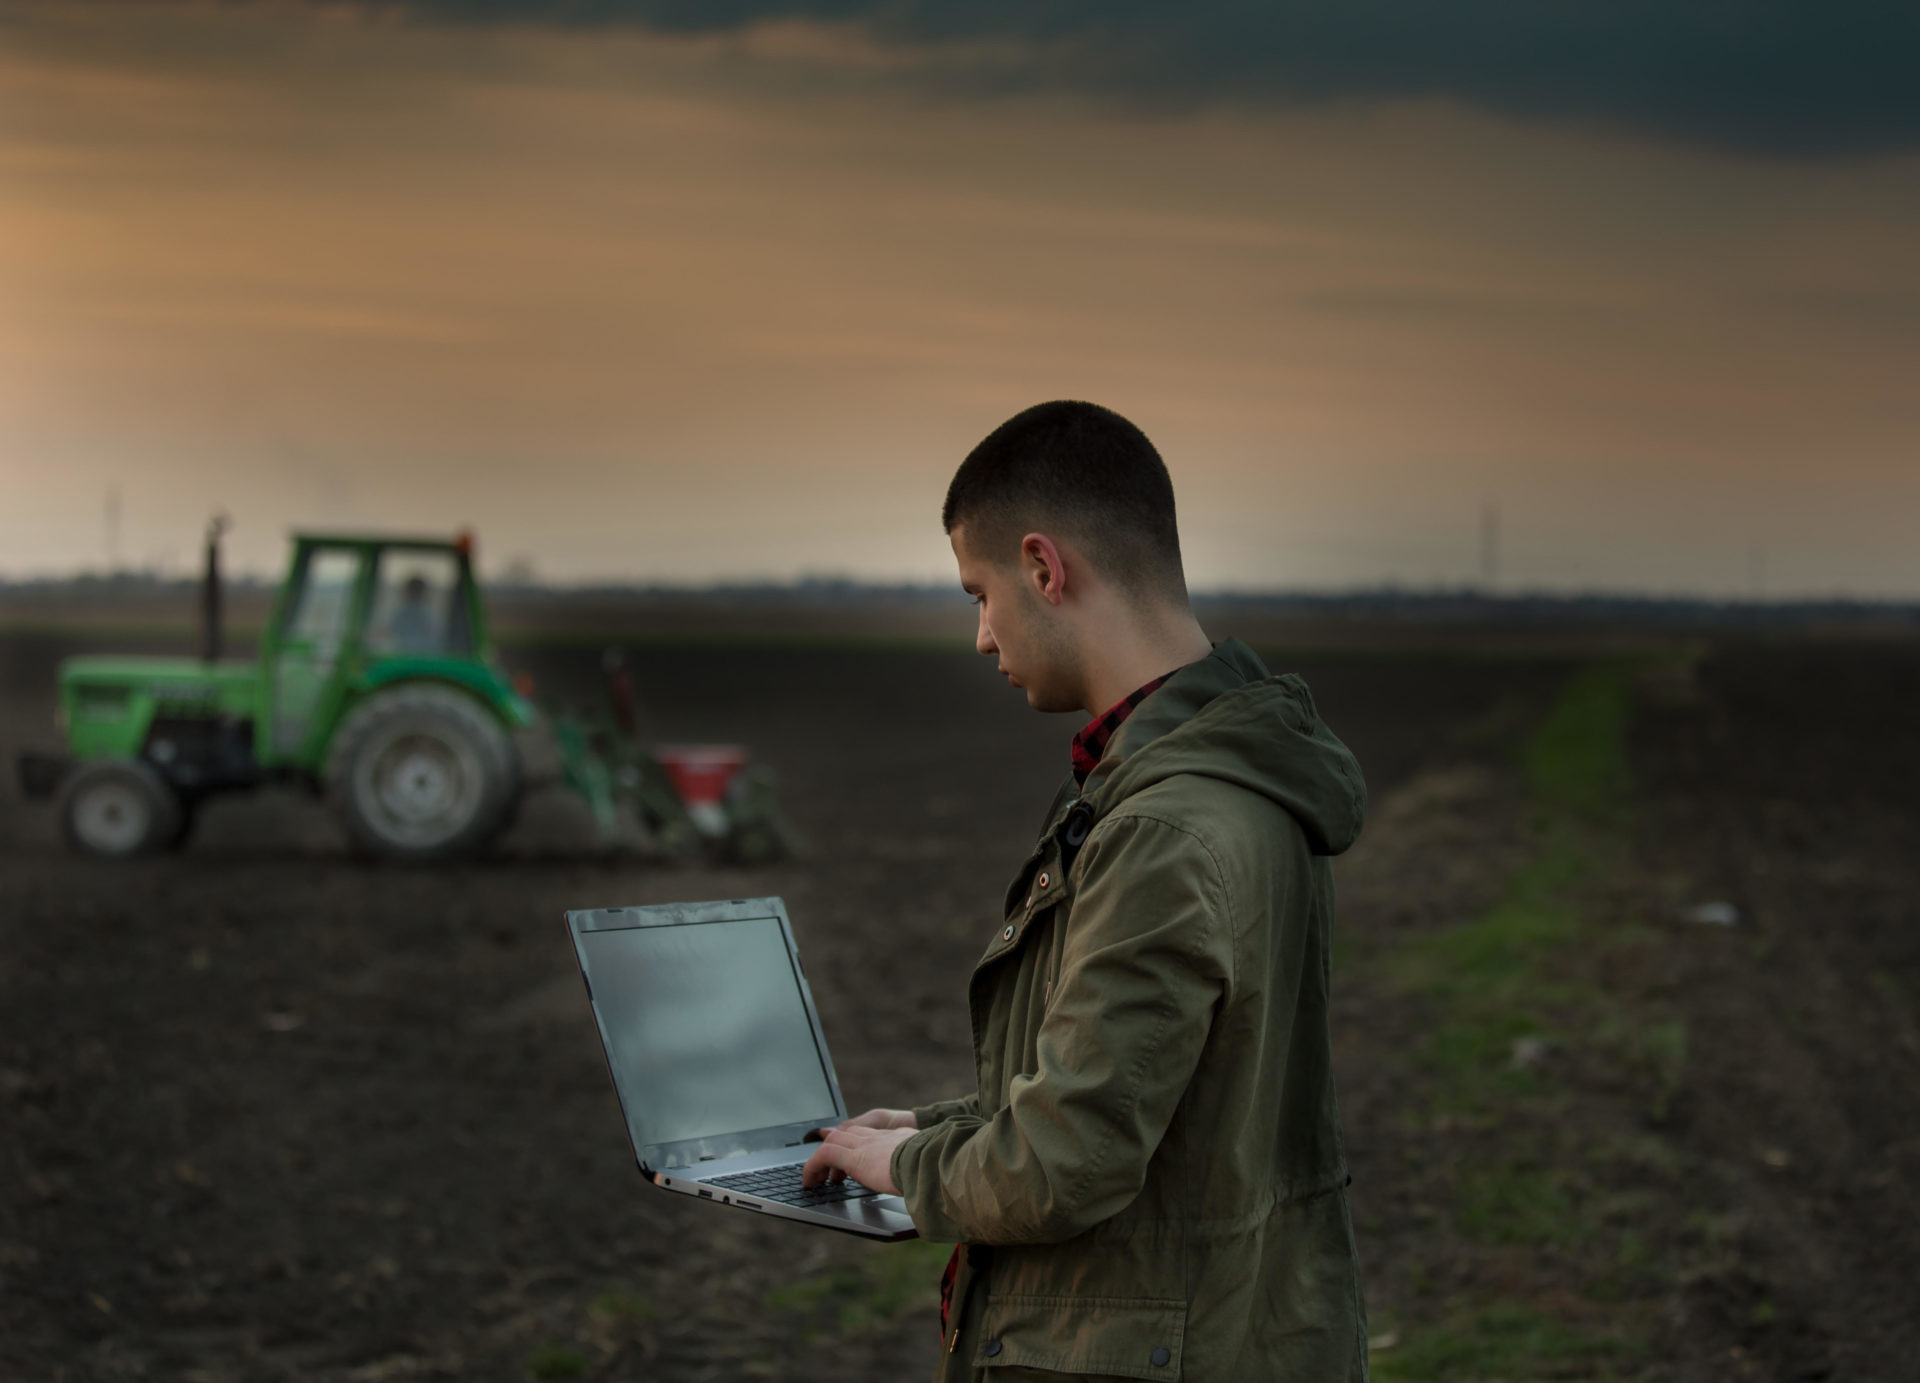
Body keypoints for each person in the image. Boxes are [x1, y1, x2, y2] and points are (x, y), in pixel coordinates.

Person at [801, 400, 1371, 1381]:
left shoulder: (1161, 825)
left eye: (980, 593)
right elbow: (1151, 1098)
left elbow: (1064, 1163)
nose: (982, 636)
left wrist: (904, 1170)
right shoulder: (1249, 782)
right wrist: (936, 1129)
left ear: (1043, 568)